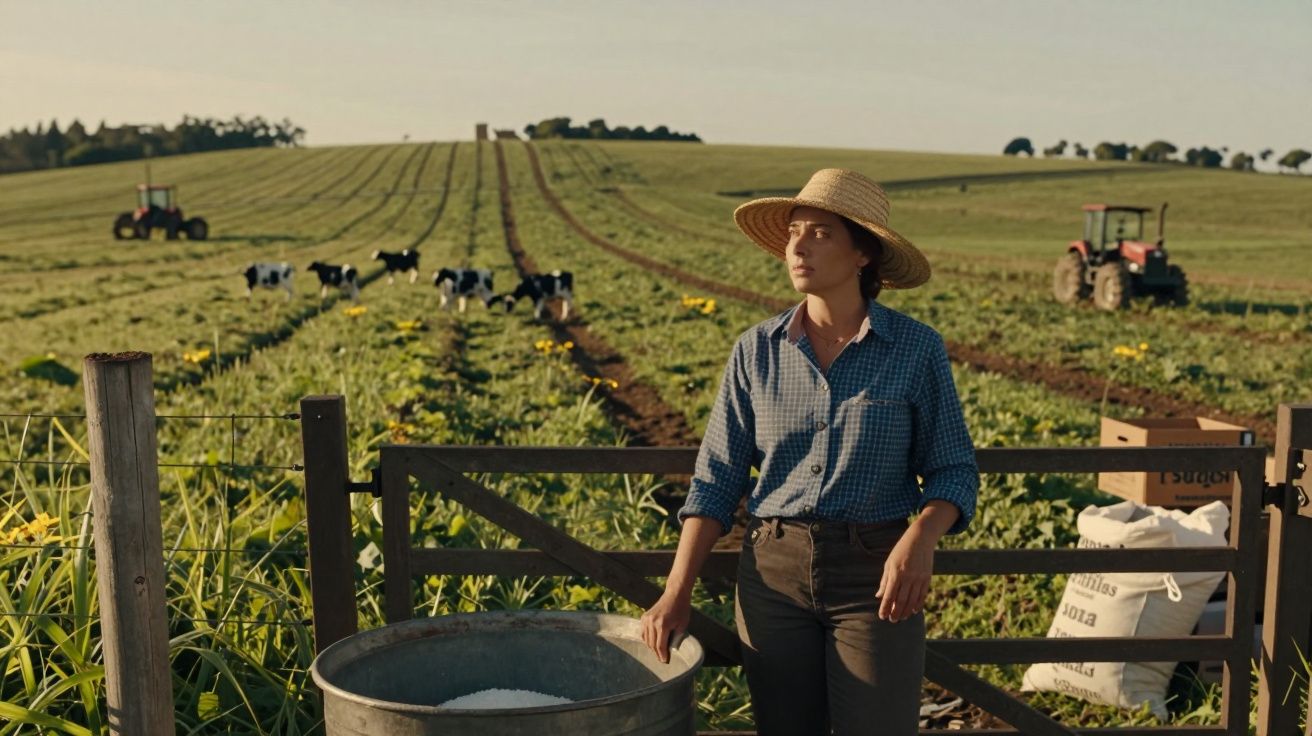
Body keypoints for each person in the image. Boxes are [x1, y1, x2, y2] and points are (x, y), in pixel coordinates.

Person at [640, 168, 979, 735]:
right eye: (794, 231)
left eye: (819, 232)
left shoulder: (916, 349)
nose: (798, 246)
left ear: (863, 254)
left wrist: (919, 540)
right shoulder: (756, 350)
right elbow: (717, 480)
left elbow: (953, 469)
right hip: (774, 574)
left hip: (876, 577)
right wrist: (676, 594)